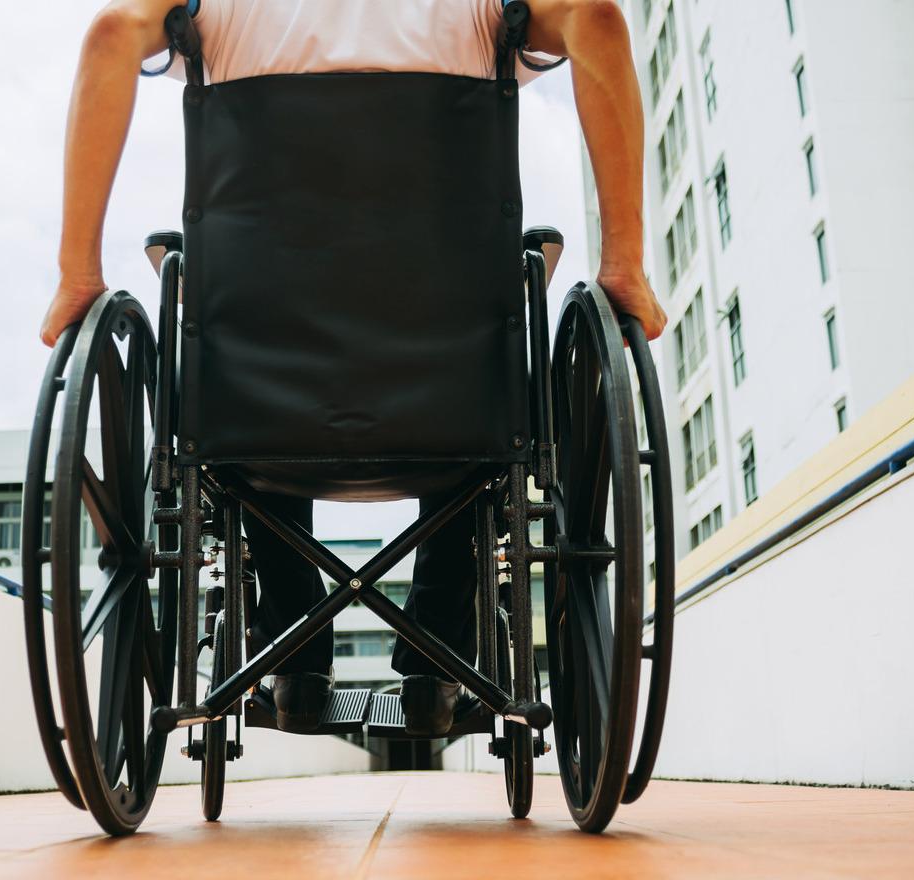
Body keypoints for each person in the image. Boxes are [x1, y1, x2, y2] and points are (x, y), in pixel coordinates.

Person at [39, 0, 666, 736]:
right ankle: (434, 667)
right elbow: (597, 16)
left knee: (256, 384)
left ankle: (294, 662)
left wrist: (77, 275)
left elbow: (112, 33)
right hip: (457, 408)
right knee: (472, 389)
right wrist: (624, 264)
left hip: (255, 412)